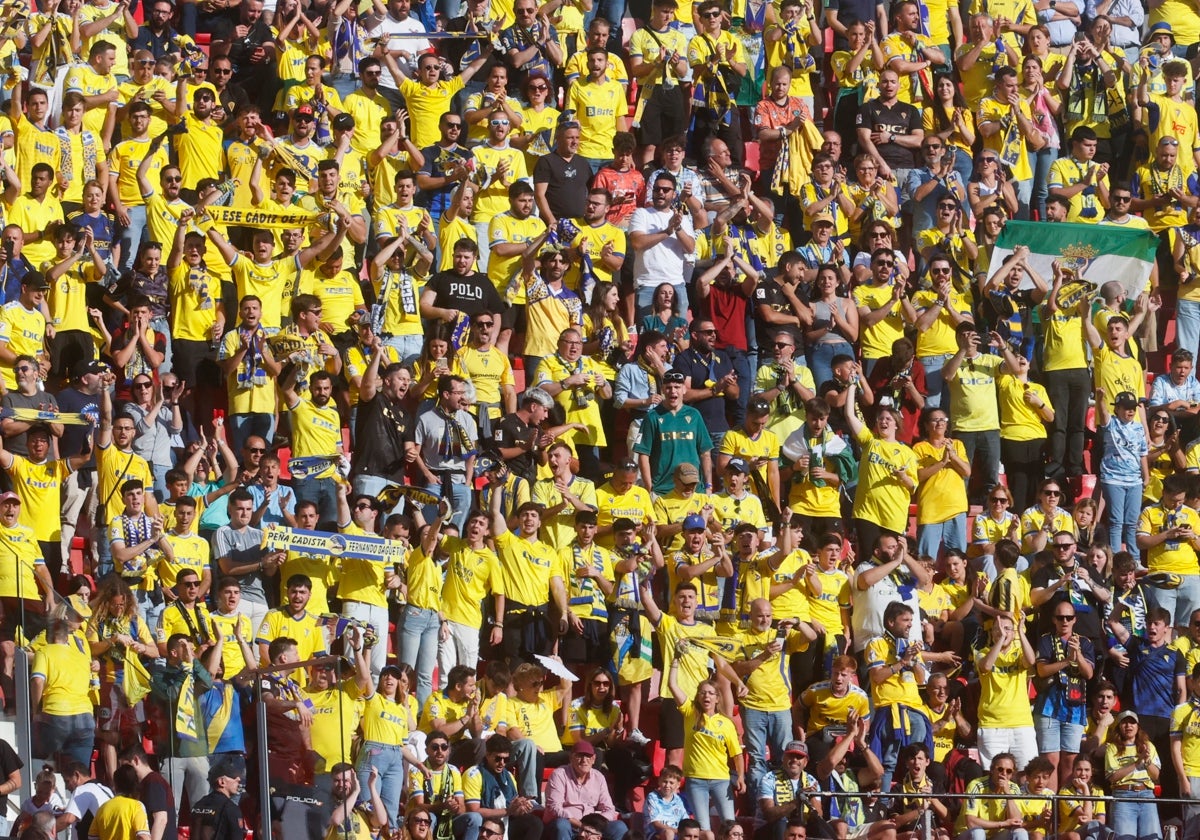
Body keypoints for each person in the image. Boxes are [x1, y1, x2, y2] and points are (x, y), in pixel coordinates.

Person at [544, 741, 627, 840]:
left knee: (619, 827)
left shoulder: (598, 777)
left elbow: (609, 808)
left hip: (592, 826)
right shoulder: (559, 774)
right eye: (579, 756)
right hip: (567, 824)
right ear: (571, 758)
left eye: (588, 756)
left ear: (594, 759)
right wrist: (580, 824)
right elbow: (554, 808)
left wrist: (595, 826)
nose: (584, 760)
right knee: (562, 824)